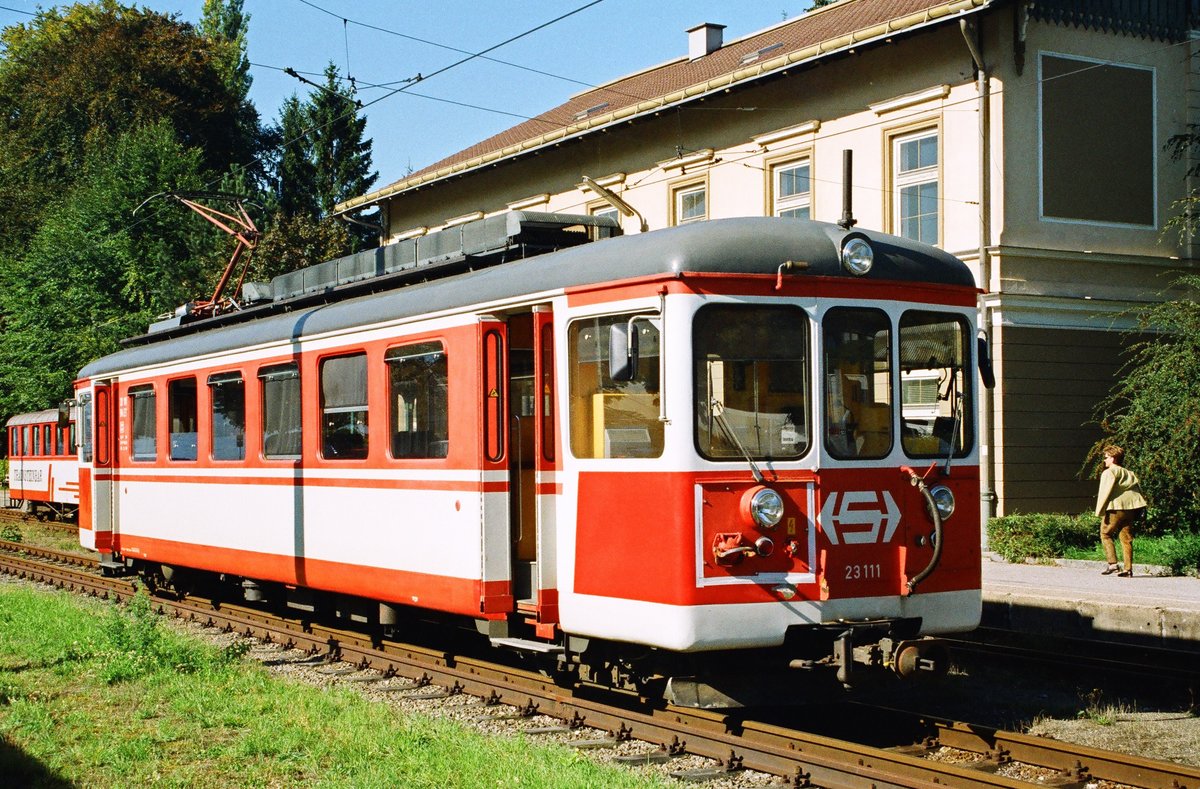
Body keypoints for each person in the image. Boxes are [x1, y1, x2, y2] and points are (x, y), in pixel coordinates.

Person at [1094, 445, 1147, 577]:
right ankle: (1128, 569)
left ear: (1113, 458)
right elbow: (1137, 490)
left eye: (1106, 457)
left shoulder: (1109, 472)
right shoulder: (1129, 473)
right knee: (1126, 538)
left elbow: (1104, 492)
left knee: (1105, 534)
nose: (1104, 460)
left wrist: (1100, 510)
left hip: (1115, 508)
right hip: (1130, 509)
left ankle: (1112, 564)